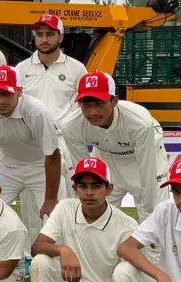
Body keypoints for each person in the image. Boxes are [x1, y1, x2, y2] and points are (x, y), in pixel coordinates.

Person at [0, 66, 62, 248]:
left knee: (53, 218)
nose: (0, 100)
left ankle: (52, 262)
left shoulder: (37, 111)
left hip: (41, 166)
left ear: (19, 92)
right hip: (6, 165)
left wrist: (50, 200)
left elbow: (53, 156)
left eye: (6, 94)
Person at [61, 72, 168, 221]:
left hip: (142, 162)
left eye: (99, 103)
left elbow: (147, 170)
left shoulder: (139, 122)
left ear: (114, 101)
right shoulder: (71, 126)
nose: (93, 112)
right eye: (86, 104)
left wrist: (151, 213)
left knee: (154, 219)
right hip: (107, 158)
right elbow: (83, 170)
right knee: (97, 218)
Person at [14, 14, 87, 169]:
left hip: (64, 139)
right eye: (39, 35)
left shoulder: (77, 68)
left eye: (50, 34)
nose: (44, 39)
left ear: (60, 37)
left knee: (69, 190)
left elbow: (84, 106)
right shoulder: (21, 68)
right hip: (31, 140)